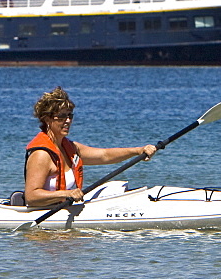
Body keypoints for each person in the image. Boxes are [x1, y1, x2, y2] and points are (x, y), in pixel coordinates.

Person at [24, 86, 157, 208]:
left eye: (70, 116)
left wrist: (138, 151)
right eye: (62, 116)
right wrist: (66, 194)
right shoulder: (41, 155)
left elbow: (104, 156)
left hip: (63, 211)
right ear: (47, 119)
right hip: (44, 218)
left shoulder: (71, 148)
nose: (68, 121)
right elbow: (31, 197)